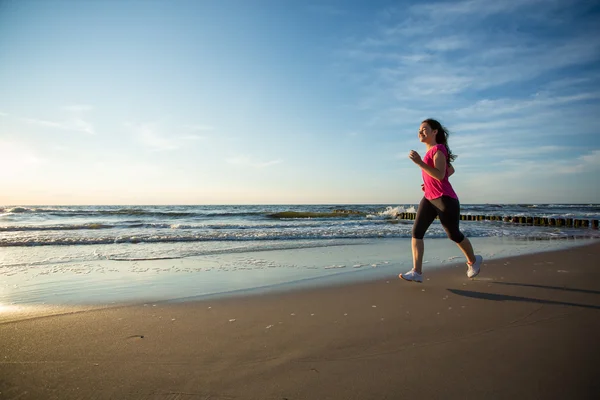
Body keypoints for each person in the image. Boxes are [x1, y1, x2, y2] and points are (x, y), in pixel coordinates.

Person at [399, 119, 482, 283]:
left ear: (435, 132)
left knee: (453, 234)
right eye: (419, 130)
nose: (420, 132)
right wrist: (429, 182)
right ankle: (417, 272)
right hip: (429, 198)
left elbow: (440, 174)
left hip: (445, 198)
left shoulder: (439, 149)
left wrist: (420, 163)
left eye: (424, 129)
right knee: (417, 232)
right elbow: (450, 170)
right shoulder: (432, 151)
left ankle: (473, 260)